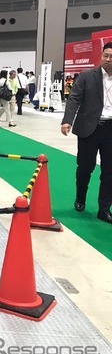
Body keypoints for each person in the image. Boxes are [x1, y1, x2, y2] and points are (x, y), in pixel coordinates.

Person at [60, 42, 112, 224]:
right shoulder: (86, 76)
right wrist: (67, 120)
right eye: (106, 55)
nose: (108, 59)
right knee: (85, 167)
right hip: (89, 129)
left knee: (109, 171)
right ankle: (80, 198)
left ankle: (104, 209)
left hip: (110, 130)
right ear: (101, 55)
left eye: (111, 57)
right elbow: (74, 98)